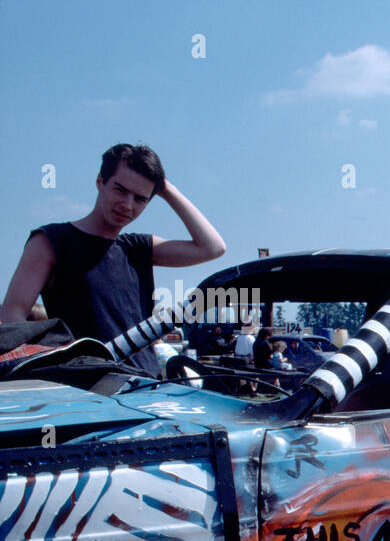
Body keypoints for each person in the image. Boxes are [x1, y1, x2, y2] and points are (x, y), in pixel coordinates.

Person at [0, 144, 226, 375]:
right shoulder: (52, 240)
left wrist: (165, 187)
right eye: (120, 190)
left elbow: (212, 247)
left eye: (140, 198)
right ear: (100, 181)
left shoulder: (136, 248)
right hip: (86, 389)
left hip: (145, 386)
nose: (127, 205)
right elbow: (12, 318)